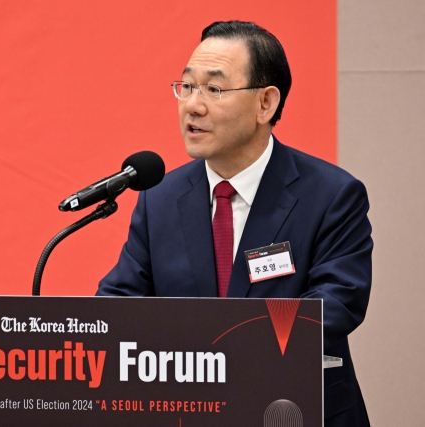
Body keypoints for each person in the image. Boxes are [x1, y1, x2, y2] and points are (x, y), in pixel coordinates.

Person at [96, 21, 372, 427]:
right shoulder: (159, 198)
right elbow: (118, 303)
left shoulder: (331, 195)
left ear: (266, 104)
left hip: (296, 411)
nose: (193, 105)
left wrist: (219, 347)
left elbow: (336, 304)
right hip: (190, 414)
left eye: (214, 89)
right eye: (186, 86)